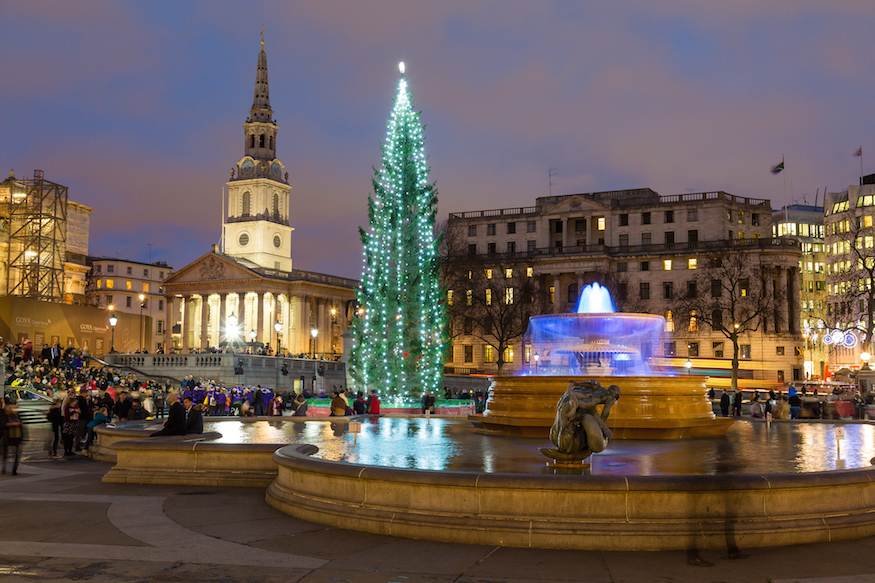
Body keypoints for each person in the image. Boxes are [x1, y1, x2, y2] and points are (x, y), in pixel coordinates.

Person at [1, 403, 24, 475]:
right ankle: (4, 468)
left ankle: (14, 469)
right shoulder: (6, 415)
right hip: (8, 437)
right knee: (5, 454)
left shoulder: (18, 416)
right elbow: (3, 424)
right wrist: (12, 424)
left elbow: (22, 425)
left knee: (16, 454)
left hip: (17, 437)